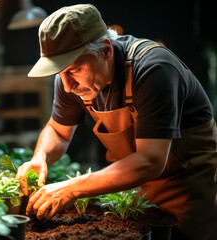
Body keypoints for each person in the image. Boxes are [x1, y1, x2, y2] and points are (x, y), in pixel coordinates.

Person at [15, 4, 217, 240]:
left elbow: (149, 161)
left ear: (106, 51)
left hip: (189, 191)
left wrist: (71, 188)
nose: (67, 85)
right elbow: (58, 132)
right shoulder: (70, 81)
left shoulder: (154, 69)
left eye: (74, 70)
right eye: (60, 73)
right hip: (137, 194)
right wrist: (40, 157)